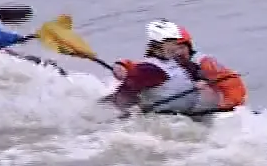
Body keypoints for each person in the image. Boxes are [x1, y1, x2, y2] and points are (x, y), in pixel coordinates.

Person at [104, 21, 249, 119]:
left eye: (181, 47)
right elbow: (139, 69)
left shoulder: (203, 62)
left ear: (189, 46)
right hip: (177, 112)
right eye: (174, 46)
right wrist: (121, 65)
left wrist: (226, 109)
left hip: (212, 110)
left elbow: (234, 85)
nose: (178, 51)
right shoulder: (161, 65)